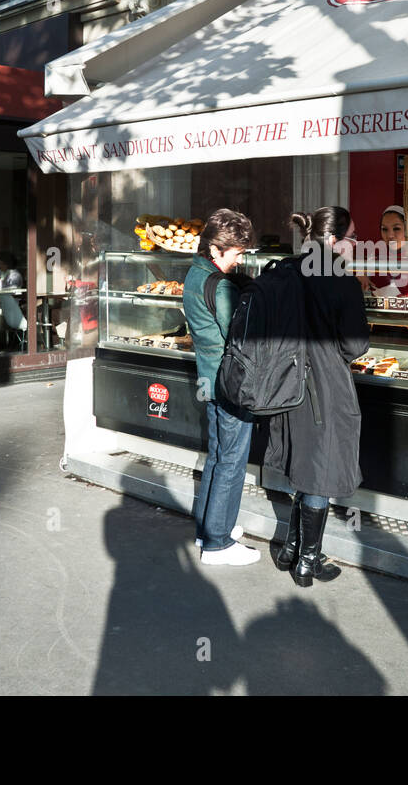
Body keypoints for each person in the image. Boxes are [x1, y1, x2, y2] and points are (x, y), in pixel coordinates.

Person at [268, 206, 370, 587]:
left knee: (304, 464)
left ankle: (291, 548)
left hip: (285, 382)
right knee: (322, 471)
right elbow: (355, 344)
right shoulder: (341, 281)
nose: (356, 245)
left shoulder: (286, 270)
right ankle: (308, 562)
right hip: (324, 386)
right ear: (332, 240)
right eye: (352, 238)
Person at [183, 208, 259, 566]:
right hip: (230, 383)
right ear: (215, 249)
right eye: (236, 252)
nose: (239, 258)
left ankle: (209, 526)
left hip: (208, 378)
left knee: (216, 456)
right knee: (231, 461)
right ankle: (217, 543)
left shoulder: (195, 275)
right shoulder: (222, 285)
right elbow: (238, 335)